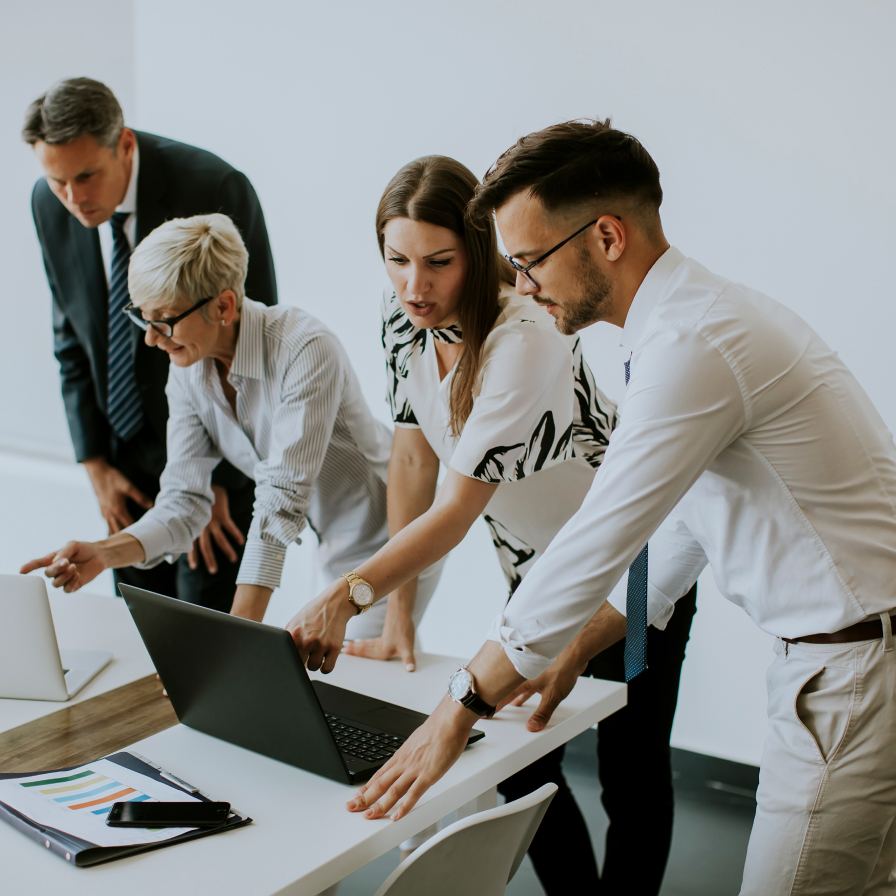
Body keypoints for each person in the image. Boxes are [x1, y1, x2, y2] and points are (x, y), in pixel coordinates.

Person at [293, 120, 896, 896]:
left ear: (606, 236)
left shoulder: (687, 345)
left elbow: (603, 535)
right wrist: (583, 637)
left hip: (843, 665)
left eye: (530, 259)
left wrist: (458, 705)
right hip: (803, 647)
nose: (525, 282)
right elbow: (682, 520)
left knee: (634, 764)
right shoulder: (684, 329)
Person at [289, 154, 697, 893]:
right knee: (518, 757)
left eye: (439, 262)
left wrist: (346, 594)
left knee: (630, 768)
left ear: (479, 252)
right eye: (397, 261)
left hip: (637, 569)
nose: (415, 286)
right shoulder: (405, 321)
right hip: (537, 575)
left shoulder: (528, 337)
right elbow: (411, 463)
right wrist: (398, 618)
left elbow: (452, 510)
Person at [20, 213, 428, 628]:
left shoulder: (304, 348)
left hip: (395, 535)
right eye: (143, 317)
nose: (150, 337)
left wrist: (232, 643)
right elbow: (183, 502)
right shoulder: (186, 369)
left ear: (223, 306)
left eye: (164, 319)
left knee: (354, 678)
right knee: (332, 681)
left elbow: (279, 502)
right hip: (332, 543)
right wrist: (105, 552)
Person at [23, 77, 277, 612]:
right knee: (143, 627)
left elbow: (256, 342)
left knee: (209, 636)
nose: (74, 198)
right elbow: (69, 335)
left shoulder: (215, 189)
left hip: (215, 454)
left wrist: (220, 484)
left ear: (126, 145)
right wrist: (95, 464)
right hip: (124, 457)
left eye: (87, 176)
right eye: (58, 181)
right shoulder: (50, 206)